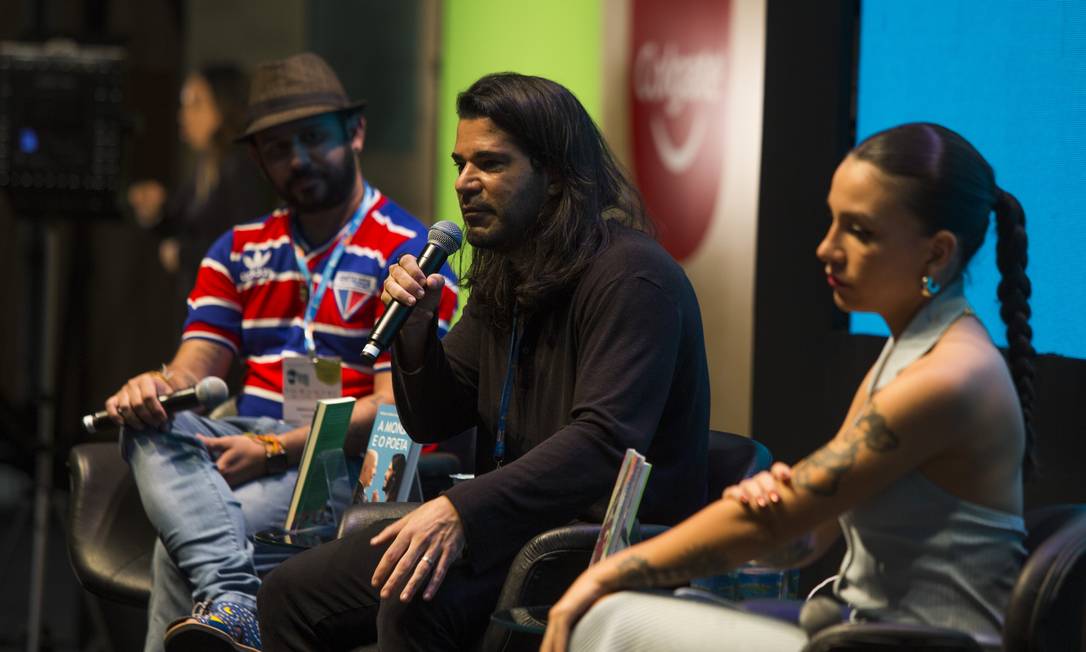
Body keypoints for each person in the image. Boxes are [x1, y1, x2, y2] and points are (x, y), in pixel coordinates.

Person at [257, 72, 711, 651]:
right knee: (289, 592)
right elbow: (433, 419)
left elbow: (602, 444)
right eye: (459, 164)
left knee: (413, 602)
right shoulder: (508, 271)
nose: (464, 184)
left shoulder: (632, 278)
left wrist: (460, 511)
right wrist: (416, 336)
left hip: (595, 542)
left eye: (490, 164)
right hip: (516, 526)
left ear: (554, 178)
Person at [541, 122, 1035, 652]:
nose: (826, 248)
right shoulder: (911, 348)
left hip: (902, 644)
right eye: (833, 221)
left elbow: (783, 526)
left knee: (604, 617)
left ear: (937, 254)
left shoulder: (945, 378)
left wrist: (605, 575)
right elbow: (803, 536)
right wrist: (773, 505)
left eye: (860, 231)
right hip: (859, 633)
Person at [101, 52, 457, 652]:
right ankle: (234, 600)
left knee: (174, 550)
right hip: (241, 435)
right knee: (148, 428)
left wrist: (274, 449)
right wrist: (155, 387)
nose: (299, 160)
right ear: (255, 158)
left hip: (338, 458)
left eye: (314, 139)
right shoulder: (237, 248)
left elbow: (395, 409)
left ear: (356, 132)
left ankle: (227, 595)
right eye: (278, 148)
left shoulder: (408, 253)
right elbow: (196, 370)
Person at [128, 64, 272, 304]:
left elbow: (246, 245)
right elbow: (180, 221)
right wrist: (156, 211)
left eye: (196, 104)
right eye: (184, 105)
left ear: (223, 107)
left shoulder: (242, 166)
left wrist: (184, 254)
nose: (183, 115)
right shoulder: (207, 165)